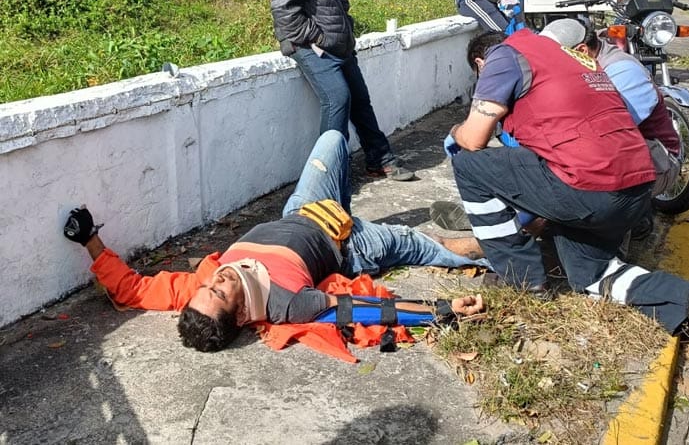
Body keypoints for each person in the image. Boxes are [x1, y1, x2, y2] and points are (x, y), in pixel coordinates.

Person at [439, 30, 689, 360]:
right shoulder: (567, 55)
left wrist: (455, 132)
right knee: (591, 275)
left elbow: (474, 139)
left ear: (480, 64)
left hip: (590, 184)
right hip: (637, 187)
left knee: (468, 164)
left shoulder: (502, 56)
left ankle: (520, 279)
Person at [62, 130, 489, 353]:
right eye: (220, 293)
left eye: (208, 287)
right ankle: (492, 248)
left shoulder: (198, 288)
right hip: (352, 241)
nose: (216, 280)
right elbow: (360, 308)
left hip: (302, 208)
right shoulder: (286, 304)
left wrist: (90, 240)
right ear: (241, 313)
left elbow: (133, 290)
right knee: (423, 243)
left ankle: (347, 201)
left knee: (333, 140)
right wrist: (440, 311)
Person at [431, 19, 680, 237]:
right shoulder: (589, 66)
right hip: (626, 162)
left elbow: (606, 139)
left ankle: (511, 228)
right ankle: (514, 217)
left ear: (581, 50)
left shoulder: (620, 70)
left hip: (656, 163)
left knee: (562, 177)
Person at [271, 0, 414, 181]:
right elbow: (284, 10)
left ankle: (379, 159)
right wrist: (318, 37)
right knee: (338, 97)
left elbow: (340, 1)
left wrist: (344, 31)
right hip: (309, 46)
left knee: (360, 100)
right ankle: (328, 174)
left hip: (339, 45)